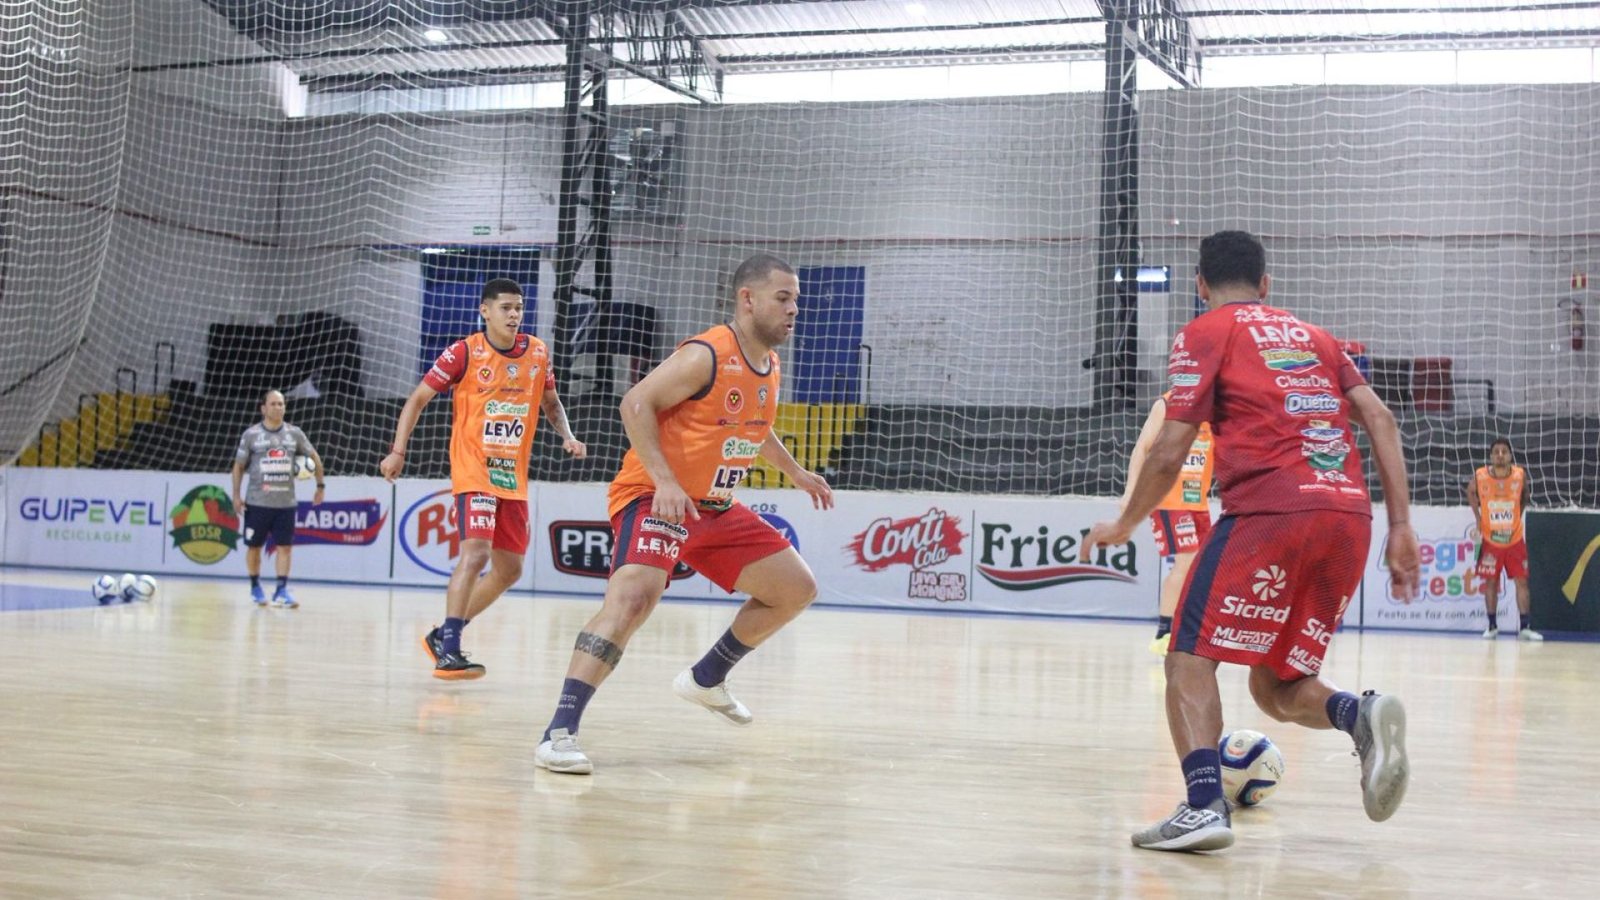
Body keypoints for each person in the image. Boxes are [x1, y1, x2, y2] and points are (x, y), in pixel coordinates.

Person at [1083, 230, 1422, 852]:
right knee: (1275, 687)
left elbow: (1169, 447)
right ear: (1267, 285)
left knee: (1186, 657)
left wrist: (1127, 521)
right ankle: (1360, 716)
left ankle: (1204, 805)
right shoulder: (1316, 337)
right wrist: (1401, 525)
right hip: (1349, 517)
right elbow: (1381, 417)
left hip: (1271, 510)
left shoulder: (1206, 331)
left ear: (1200, 285)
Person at [534, 253, 835, 776]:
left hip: (714, 508)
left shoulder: (769, 364)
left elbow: (754, 428)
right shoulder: (707, 353)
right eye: (783, 298)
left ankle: (706, 677)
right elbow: (634, 404)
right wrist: (667, 482)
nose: (794, 310)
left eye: (796, 300)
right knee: (632, 600)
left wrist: (797, 473)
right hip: (656, 497)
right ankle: (558, 732)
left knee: (796, 589)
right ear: (748, 299)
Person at [380, 278, 586, 679]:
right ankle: (450, 650)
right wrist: (398, 451)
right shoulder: (465, 352)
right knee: (475, 554)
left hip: (513, 476)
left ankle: (443, 634)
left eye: (519, 307)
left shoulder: (538, 353)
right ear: (485, 311)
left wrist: (568, 435)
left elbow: (550, 401)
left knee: (510, 569)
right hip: (474, 468)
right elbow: (417, 399)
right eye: (506, 307)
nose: (514, 314)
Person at [1121, 393, 1214, 656]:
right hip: (1168, 499)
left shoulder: (1218, 406)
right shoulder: (1167, 404)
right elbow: (1142, 447)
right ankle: (1164, 632)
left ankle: (1185, 627)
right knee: (1186, 561)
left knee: (1200, 565)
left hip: (1198, 500)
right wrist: (1131, 492)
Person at [231, 389, 324, 609]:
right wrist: (236, 494)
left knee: (285, 547)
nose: (278, 408)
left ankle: (281, 590)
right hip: (257, 503)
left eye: (281, 404)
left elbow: (314, 458)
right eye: (273, 404)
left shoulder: (294, 434)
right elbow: (238, 466)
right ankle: (255, 586)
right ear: (263, 408)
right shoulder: (251, 435)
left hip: (285, 504)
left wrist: (320, 485)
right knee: (254, 547)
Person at [1467, 439, 1541, 641]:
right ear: (1491, 456)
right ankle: (1492, 626)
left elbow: (1525, 495)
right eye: (1496, 452)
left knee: (1522, 582)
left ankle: (1525, 627)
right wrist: (1478, 517)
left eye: (1504, 451)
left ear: (1510, 456)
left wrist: (1518, 513)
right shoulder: (1480, 475)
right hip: (1491, 541)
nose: (1500, 455)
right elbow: (1470, 492)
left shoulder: (1519, 475)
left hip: (1515, 539)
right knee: (1491, 582)